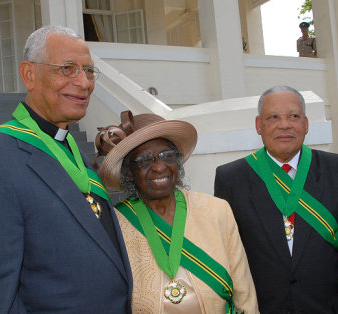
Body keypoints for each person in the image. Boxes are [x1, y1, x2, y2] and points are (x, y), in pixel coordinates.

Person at [0, 25, 132, 313]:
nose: (84, 83)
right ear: (29, 75)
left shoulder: (73, 154)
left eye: (89, 71)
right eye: (68, 68)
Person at [94, 111, 259, 313]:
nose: (159, 167)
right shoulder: (115, 224)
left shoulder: (217, 210)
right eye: (144, 160)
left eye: (166, 156)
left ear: (177, 161)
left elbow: (245, 294)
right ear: (129, 172)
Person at [215, 85, 338, 313]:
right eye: (273, 117)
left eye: (294, 116)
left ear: (306, 124)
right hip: (263, 307)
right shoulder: (231, 178)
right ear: (258, 125)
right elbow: (226, 254)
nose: (285, 124)